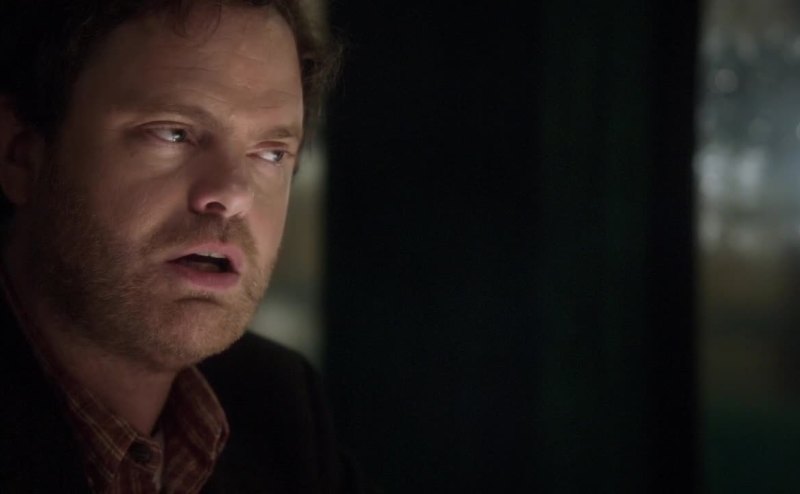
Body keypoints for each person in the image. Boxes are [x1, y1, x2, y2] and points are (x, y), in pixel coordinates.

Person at [0, 0, 361, 492]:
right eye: (173, 133)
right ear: (20, 153)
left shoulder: (277, 405)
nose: (233, 194)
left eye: (272, 153)